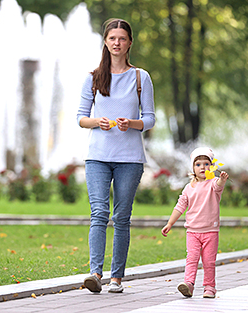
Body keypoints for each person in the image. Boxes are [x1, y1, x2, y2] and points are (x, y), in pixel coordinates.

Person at [77, 18, 155, 294]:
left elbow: (150, 118)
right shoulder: (94, 78)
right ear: (106, 42)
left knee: (121, 217)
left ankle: (117, 277)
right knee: (99, 213)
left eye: (122, 38)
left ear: (130, 43)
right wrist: (100, 121)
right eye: (112, 38)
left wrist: (130, 123)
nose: (117, 43)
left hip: (130, 159)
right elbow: (81, 118)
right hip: (98, 155)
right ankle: (95, 273)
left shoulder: (140, 77)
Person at [161, 147, 229, 299]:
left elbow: (218, 186)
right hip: (192, 231)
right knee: (191, 258)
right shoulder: (188, 188)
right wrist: (170, 223)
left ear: (211, 166)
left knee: (208, 261)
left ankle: (210, 287)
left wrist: (222, 180)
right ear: (193, 167)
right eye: (198, 164)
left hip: (210, 231)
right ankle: (189, 284)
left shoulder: (213, 184)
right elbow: (180, 207)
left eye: (206, 164)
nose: (202, 167)